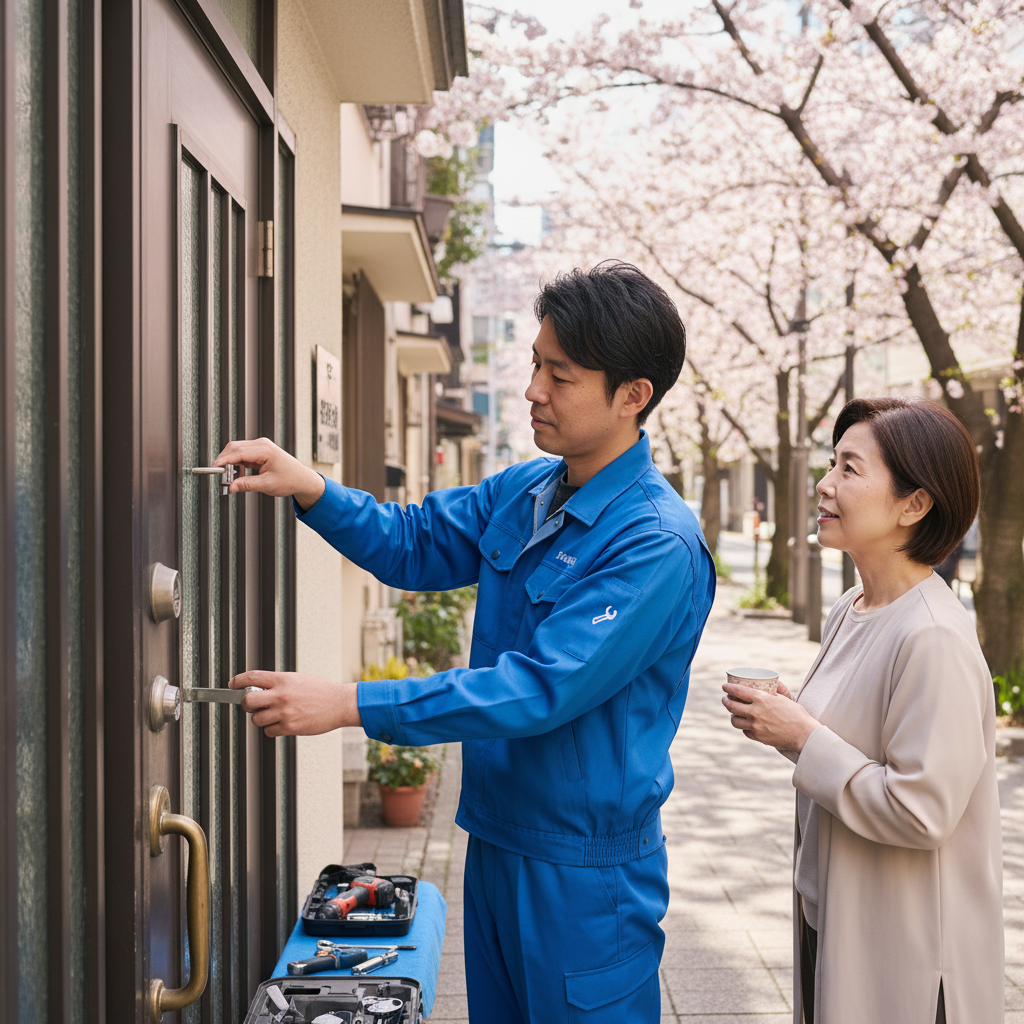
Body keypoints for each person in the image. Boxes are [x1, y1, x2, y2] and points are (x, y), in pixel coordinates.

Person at [218, 262, 716, 1023]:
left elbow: (537, 688)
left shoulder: (656, 544)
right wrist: (309, 487)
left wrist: (350, 704)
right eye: (534, 365)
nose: (534, 391)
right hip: (496, 835)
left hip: (582, 876)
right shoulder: (527, 489)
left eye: (561, 374)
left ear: (632, 396)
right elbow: (411, 542)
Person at [721, 397, 1003, 1024]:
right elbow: (852, 738)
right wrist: (793, 723)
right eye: (832, 464)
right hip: (838, 918)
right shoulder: (854, 606)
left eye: (850, 469)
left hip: (909, 958)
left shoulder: (931, 636)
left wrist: (804, 738)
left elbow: (920, 810)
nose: (824, 484)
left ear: (914, 504)